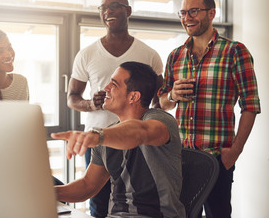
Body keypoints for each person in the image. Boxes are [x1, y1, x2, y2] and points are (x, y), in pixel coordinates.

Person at [158, 0, 261, 218]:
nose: (187, 18)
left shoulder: (235, 51)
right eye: (183, 13)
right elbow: (162, 102)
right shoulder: (175, 56)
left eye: (194, 11)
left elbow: (251, 105)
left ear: (212, 13)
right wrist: (172, 95)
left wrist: (235, 150)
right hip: (181, 156)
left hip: (217, 157)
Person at [67, 0, 163, 217]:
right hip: (97, 141)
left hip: (137, 143)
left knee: (136, 203)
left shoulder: (149, 54)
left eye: (115, 6)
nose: (107, 11)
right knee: (98, 203)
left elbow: (160, 101)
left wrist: (153, 125)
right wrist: (91, 104)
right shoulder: (87, 54)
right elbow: (72, 98)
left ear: (128, 11)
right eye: (103, 8)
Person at [53, 62, 185, 218]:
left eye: (113, 84)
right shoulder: (106, 135)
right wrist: (43, 193)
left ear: (133, 96)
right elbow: (87, 186)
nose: (106, 88)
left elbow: (139, 132)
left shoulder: (160, 120)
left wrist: (97, 136)